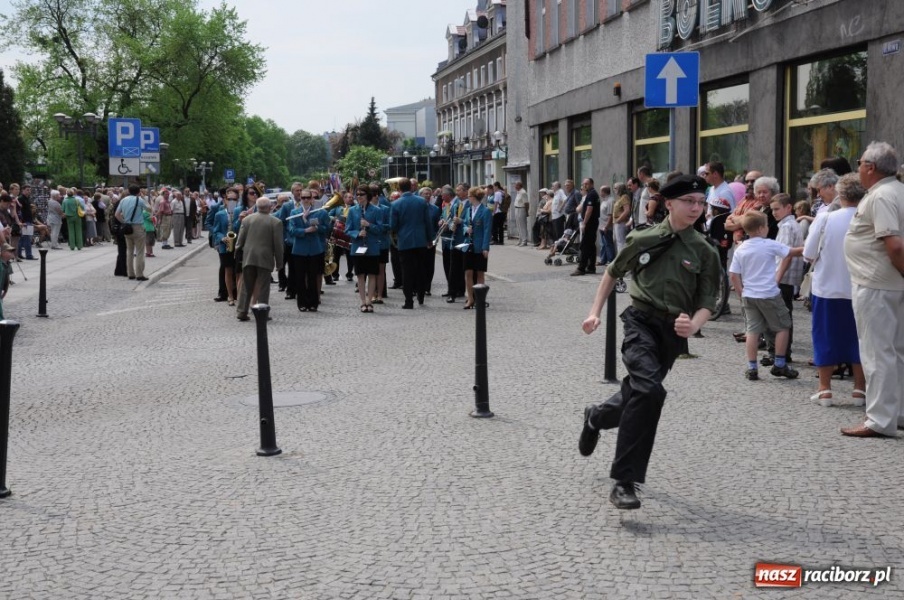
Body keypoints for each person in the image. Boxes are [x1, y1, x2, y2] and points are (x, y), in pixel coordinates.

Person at [578, 174, 721, 510]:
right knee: (650, 391)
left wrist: (693, 325)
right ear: (668, 203)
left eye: (700, 203)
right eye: (689, 201)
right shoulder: (643, 238)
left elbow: (707, 301)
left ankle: (596, 416)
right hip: (639, 322)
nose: (696, 208)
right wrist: (594, 312)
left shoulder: (704, 250)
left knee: (641, 391)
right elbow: (613, 271)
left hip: (672, 332)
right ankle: (624, 481)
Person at [840, 141, 904, 438]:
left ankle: (879, 419)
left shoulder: (881, 196)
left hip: (876, 284)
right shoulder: (897, 190)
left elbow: (895, 245)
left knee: (877, 354)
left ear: (870, 167)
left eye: (860, 162)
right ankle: (896, 412)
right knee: (896, 352)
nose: (858, 167)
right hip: (888, 284)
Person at [803, 173, 866, 407]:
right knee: (859, 339)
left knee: (824, 337)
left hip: (827, 287)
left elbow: (808, 254)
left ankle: (825, 389)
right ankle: (860, 389)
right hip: (860, 286)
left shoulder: (826, 218)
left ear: (840, 194)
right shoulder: (868, 217)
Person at [728, 211, 802, 381]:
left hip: (749, 295)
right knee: (783, 327)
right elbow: (791, 252)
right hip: (769, 294)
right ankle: (780, 364)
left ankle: (752, 367)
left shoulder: (741, 248)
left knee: (752, 331)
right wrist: (811, 248)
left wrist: (740, 293)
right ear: (762, 228)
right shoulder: (769, 244)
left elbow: (733, 275)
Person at [234, 197, 284, 321]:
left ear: (257, 206)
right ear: (269, 207)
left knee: (246, 286)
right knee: (263, 287)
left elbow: (240, 241)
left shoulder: (247, 220)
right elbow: (278, 245)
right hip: (265, 258)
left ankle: (241, 312)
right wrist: (279, 263)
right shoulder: (275, 222)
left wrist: (237, 253)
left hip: (249, 257)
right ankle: (262, 313)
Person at [390, 178, 432, 309]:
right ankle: (421, 296)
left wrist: (398, 233)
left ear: (399, 188)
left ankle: (409, 300)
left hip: (405, 241)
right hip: (420, 240)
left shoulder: (396, 204)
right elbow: (428, 222)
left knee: (406, 272)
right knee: (420, 269)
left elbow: (393, 225)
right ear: (411, 187)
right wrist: (429, 239)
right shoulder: (422, 202)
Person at [287, 189, 329, 312]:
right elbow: (291, 230)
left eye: (307, 198)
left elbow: (327, 228)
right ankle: (302, 303)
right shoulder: (294, 212)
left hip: (315, 249)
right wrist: (305, 230)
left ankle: (313, 303)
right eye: (303, 198)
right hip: (299, 250)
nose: (305, 200)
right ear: (300, 199)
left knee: (313, 277)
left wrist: (317, 228)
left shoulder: (320, 212)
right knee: (300, 278)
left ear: (312, 199)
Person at [346, 186, 384, 312]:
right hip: (358, 247)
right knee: (360, 275)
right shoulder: (352, 210)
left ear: (367, 195)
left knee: (372, 274)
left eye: (362, 194)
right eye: (357, 194)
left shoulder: (377, 210)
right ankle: (362, 301)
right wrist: (357, 234)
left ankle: (369, 300)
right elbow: (347, 230)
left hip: (372, 247)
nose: (359, 196)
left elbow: (380, 229)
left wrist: (369, 225)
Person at [461, 186, 492, 310]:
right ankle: (470, 298)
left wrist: (485, 247)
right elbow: (463, 223)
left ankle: (480, 298)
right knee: (468, 272)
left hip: (479, 246)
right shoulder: (468, 209)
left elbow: (487, 230)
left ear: (473, 197)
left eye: (469, 196)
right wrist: (465, 229)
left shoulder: (485, 211)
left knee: (479, 273)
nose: (468, 198)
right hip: (468, 245)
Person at [114, 185, 149, 281]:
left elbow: (117, 214)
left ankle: (130, 273)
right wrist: (142, 198)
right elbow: (150, 209)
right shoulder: (140, 200)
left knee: (129, 251)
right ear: (139, 192)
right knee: (140, 251)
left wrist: (124, 222)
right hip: (138, 227)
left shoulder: (123, 200)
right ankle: (139, 274)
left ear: (129, 191)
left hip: (127, 228)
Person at [571, 178, 600, 276]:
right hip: (592, 223)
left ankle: (581, 268)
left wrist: (584, 223)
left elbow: (589, 209)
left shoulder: (592, 194)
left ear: (591, 184)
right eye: (583, 184)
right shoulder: (592, 193)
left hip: (590, 224)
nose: (584, 186)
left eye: (586, 184)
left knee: (584, 245)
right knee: (591, 246)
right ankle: (591, 267)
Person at [512, 181, 529, 246]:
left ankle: (524, 240)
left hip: (522, 209)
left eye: (516, 185)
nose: (515, 187)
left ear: (519, 185)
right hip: (517, 208)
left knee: (522, 225)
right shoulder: (518, 192)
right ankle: (520, 239)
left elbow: (526, 203)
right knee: (518, 225)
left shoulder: (523, 192)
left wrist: (527, 212)